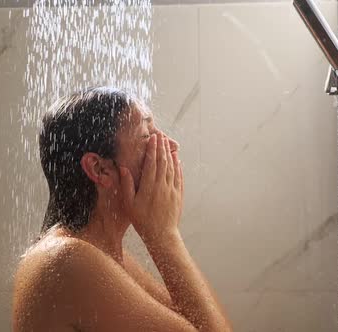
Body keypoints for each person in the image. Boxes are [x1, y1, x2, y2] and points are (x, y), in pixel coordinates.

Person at [12, 87, 232, 332]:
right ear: (99, 169)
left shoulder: (101, 252)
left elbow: (192, 320)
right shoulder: (68, 260)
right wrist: (164, 236)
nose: (170, 146)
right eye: (147, 136)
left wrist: (163, 234)